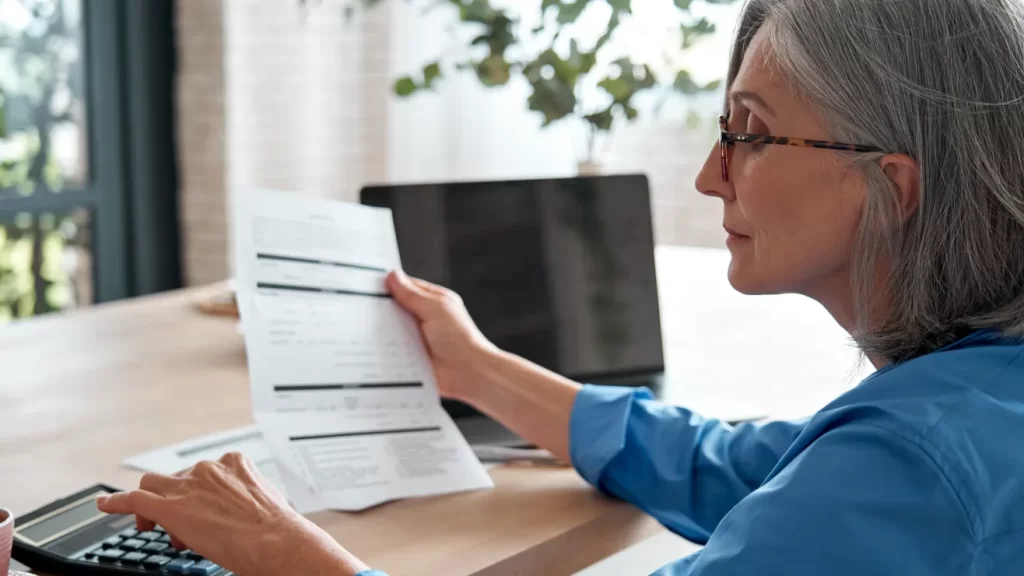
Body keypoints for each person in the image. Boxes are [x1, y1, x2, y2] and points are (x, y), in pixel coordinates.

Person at [97, 0, 1024, 573]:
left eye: (750, 130)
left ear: (890, 187)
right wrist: (480, 370)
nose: (711, 174)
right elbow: (739, 468)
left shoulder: (915, 468)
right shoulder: (970, 406)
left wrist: (283, 554)